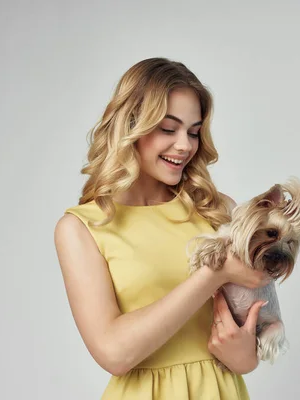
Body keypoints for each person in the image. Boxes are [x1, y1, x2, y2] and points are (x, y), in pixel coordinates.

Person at [54, 57, 271, 399]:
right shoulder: (82, 228)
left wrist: (245, 357)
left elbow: (257, 329)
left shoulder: (218, 210)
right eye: (168, 129)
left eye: (194, 132)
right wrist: (212, 275)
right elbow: (114, 353)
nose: (184, 145)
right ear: (131, 126)